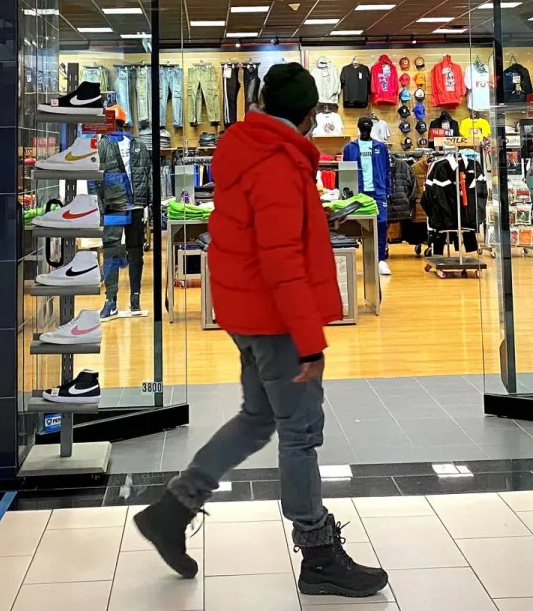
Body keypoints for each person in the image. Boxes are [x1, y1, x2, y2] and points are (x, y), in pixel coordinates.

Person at [133, 62, 388, 599]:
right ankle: (318, 553)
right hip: (275, 320)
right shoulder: (278, 164)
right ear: (311, 113)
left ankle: (173, 510)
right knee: (300, 434)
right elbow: (280, 261)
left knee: (257, 420)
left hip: (247, 311)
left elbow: (257, 240)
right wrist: (310, 340)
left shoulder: (245, 150)